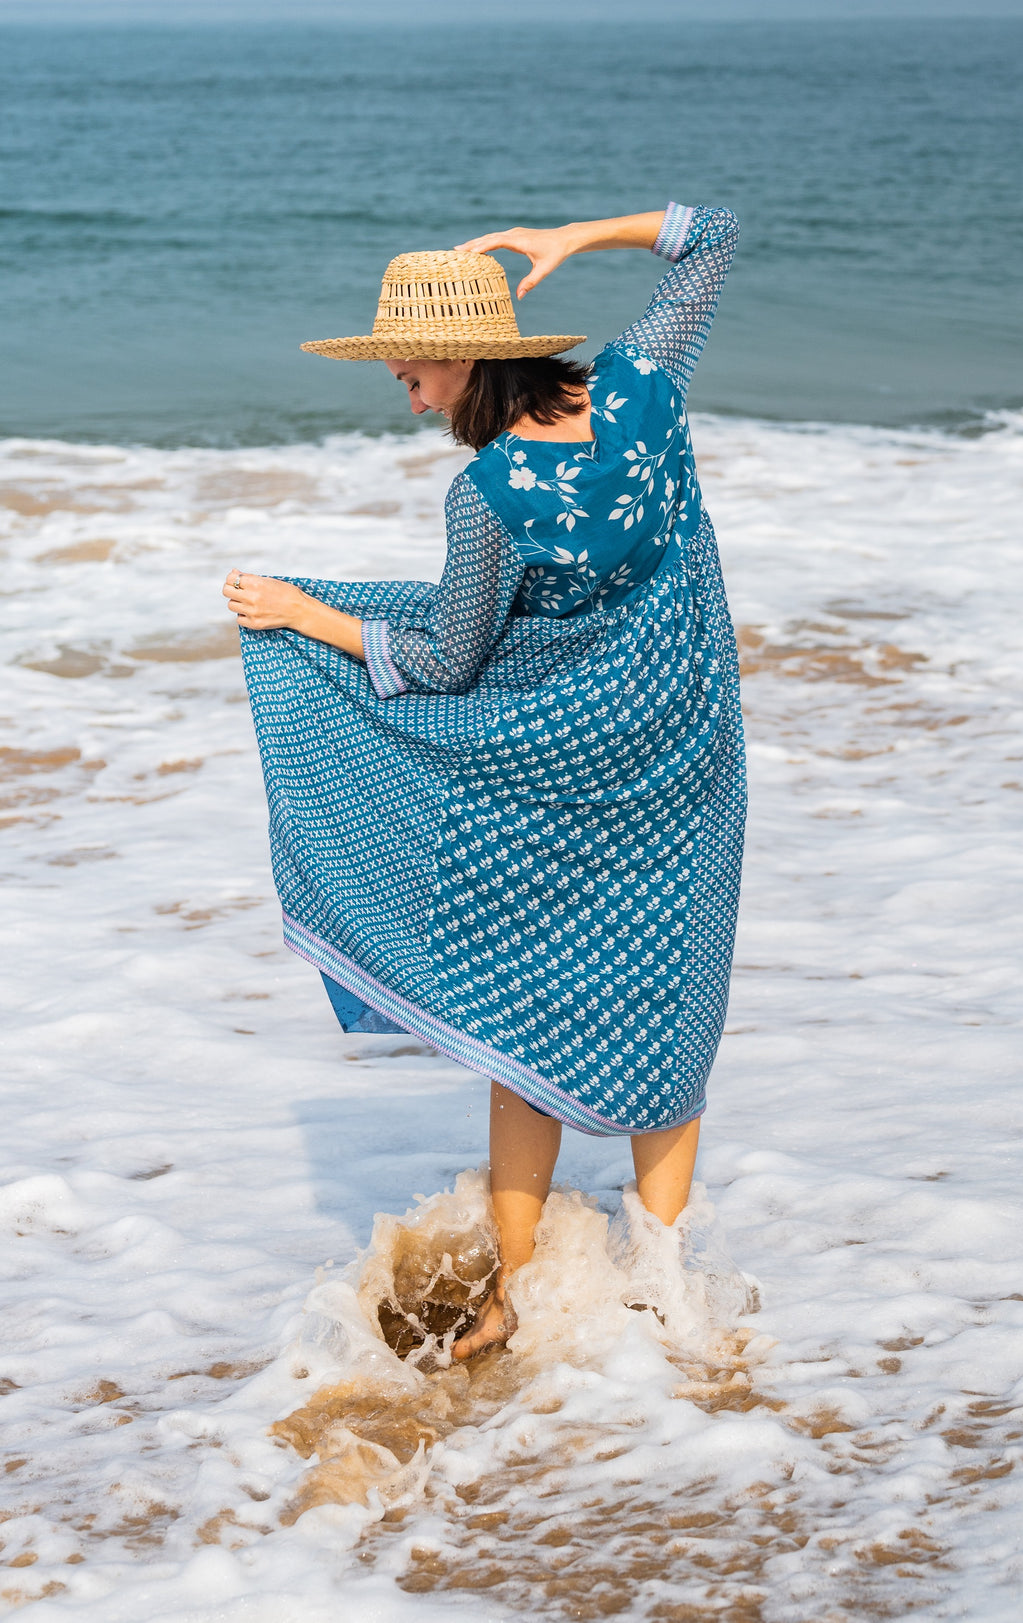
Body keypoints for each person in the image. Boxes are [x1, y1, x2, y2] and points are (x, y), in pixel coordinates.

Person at [224, 202, 744, 1359]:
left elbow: (447, 662)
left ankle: (513, 1298)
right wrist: (572, 238)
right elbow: (713, 235)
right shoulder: (642, 384)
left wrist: (306, 613)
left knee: (530, 1007)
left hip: (562, 767)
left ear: (461, 359)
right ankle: (667, 1298)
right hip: (689, 747)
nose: (407, 394)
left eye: (410, 371)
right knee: (673, 1005)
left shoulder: (490, 497)